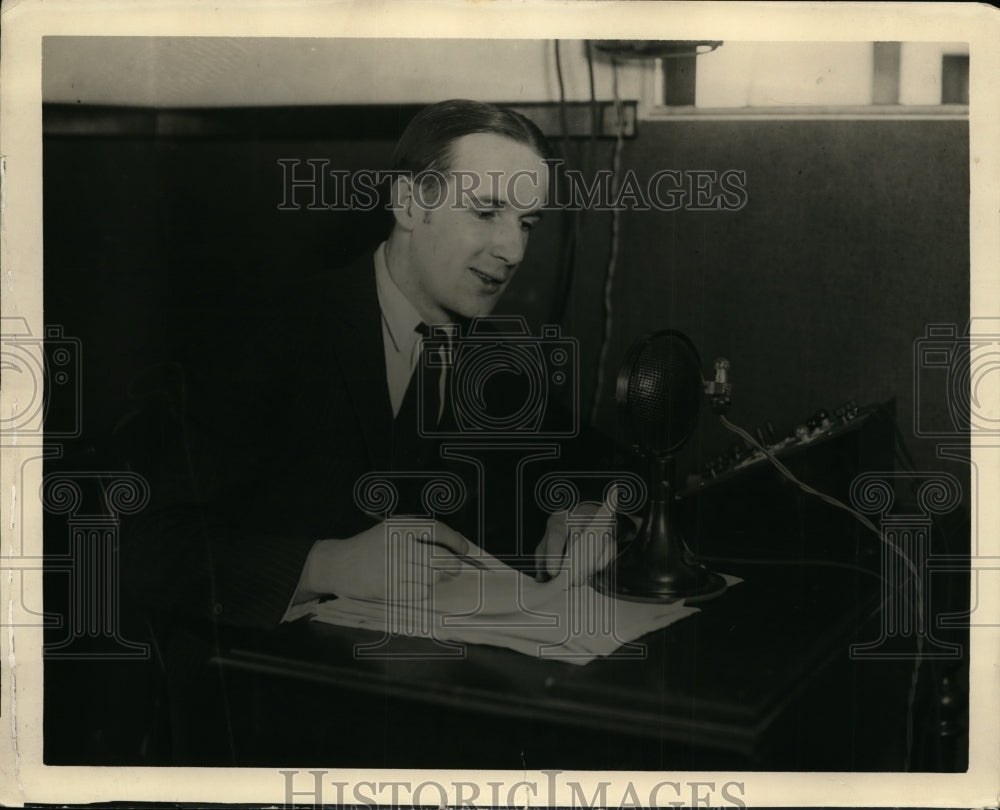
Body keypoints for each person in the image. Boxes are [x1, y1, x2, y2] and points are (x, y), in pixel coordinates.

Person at [124, 99, 614, 630]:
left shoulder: (492, 361)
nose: (513, 250)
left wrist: (585, 510)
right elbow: (135, 540)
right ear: (408, 204)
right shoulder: (265, 334)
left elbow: (604, 464)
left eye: (527, 223)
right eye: (486, 212)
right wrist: (324, 564)